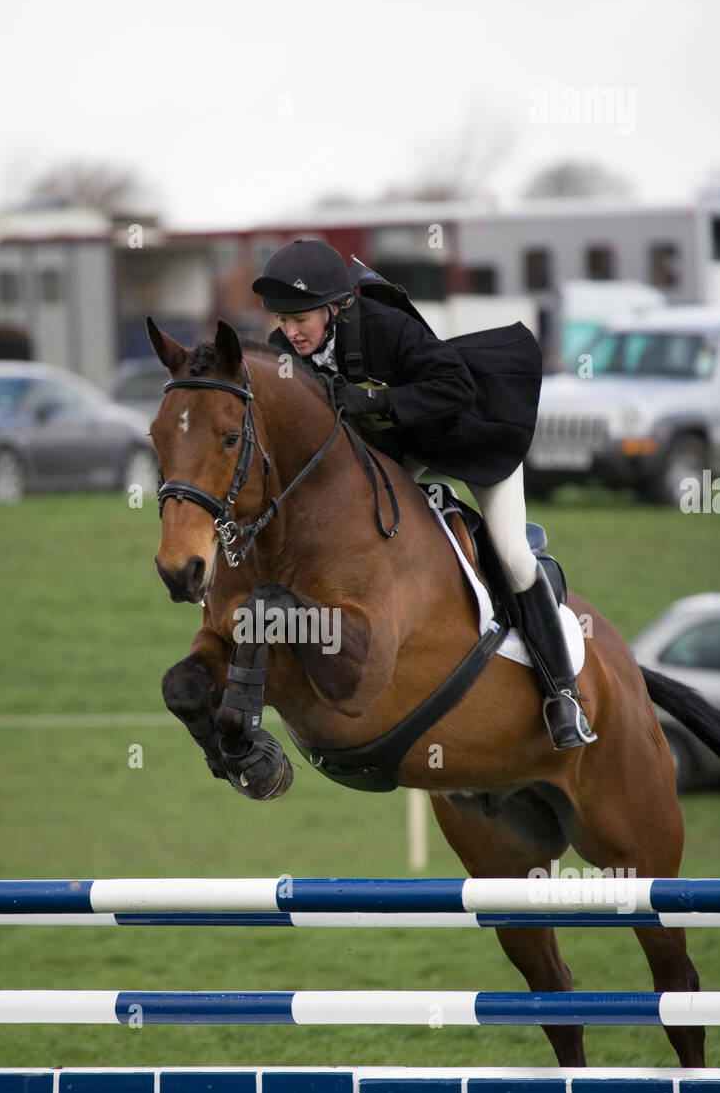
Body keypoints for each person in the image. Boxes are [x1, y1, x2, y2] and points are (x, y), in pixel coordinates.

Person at [252, 239, 596, 749]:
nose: (290, 331)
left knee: (513, 555)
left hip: (470, 437)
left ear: (335, 306)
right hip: (402, 449)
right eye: (282, 319)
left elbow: (456, 386)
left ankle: (563, 695)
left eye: (300, 317)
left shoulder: (384, 327)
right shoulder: (285, 356)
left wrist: (371, 399)